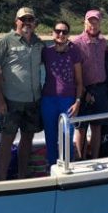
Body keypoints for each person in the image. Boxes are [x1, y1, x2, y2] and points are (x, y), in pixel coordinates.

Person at [0, 7, 44, 180]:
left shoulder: (39, 43)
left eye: (30, 19)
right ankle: (2, 180)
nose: (27, 22)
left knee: (27, 139)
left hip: (33, 101)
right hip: (11, 102)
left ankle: (22, 177)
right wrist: (0, 100)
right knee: (7, 140)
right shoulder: (4, 41)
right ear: (16, 21)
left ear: (34, 23)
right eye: (23, 19)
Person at [41, 20, 83, 168]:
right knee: (50, 136)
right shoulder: (46, 52)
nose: (61, 34)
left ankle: (68, 166)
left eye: (64, 32)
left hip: (68, 101)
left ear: (68, 35)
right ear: (52, 33)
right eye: (58, 31)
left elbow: (79, 81)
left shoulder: (74, 52)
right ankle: (52, 166)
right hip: (48, 100)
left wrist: (78, 101)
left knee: (67, 136)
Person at [71, 9, 108, 160]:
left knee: (97, 127)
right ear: (85, 22)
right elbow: (72, 72)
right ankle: (80, 159)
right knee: (81, 128)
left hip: (100, 88)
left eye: (96, 21)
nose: (93, 24)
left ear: (100, 23)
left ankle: (95, 158)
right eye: (90, 21)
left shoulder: (103, 42)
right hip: (83, 90)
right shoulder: (75, 43)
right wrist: (84, 92)